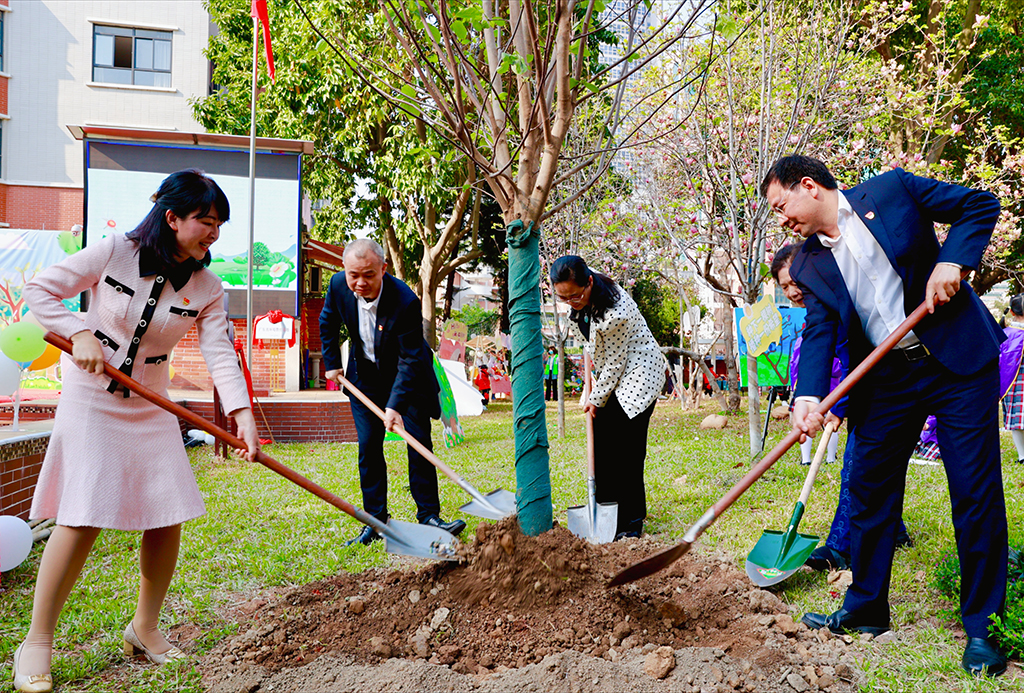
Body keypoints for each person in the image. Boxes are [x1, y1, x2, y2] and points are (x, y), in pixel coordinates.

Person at [13, 170, 259, 693]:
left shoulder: (208, 287)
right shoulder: (113, 252)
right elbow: (40, 289)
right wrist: (80, 331)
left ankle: (144, 629)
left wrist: (242, 416)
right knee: (82, 515)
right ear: (172, 218)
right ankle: (36, 641)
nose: (213, 234)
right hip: (91, 399)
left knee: (168, 512)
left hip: (151, 404)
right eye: (206, 222)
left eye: (219, 225)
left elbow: (219, 352)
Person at [762, 155, 1008, 677]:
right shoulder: (806, 261)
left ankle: (985, 625)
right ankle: (867, 607)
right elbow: (821, 328)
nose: (783, 219)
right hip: (887, 378)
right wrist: (807, 397)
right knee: (870, 488)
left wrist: (953, 262)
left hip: (955, 362)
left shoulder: (893, 191)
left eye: (783, 205)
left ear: (809, 186)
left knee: (973, 491)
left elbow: (980, 204)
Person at [772, 242, 914, 572]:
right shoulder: (817, 311)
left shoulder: (844, 295)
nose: (794, 291)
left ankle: (840, 548)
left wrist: (840, 403)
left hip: (890, 381)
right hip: (860, 389)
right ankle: (895, 530)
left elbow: (859, 356)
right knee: (877, 464)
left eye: (796, 282)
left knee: (856, 463)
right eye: (786, 286)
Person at [319, 238, 466, 546]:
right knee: (369, 447)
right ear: (344, 271)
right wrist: (332, 363)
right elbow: (328, 321)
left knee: (418, 442)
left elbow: (411, 359)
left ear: (383, 269)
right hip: (364, 379)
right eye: (353, 275)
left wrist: (395, 405)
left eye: (368, 275)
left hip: (407, 380)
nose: (360, 283)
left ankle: (428, 516)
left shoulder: (405, 301)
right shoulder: (337, 285)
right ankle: (376, 520)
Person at [550, 255, 666, 539]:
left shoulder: (616, 312)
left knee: (627, 452)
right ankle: (604, 513)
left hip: (639, 377)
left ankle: (631, 522)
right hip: (613, 377)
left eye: (575, 296)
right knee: (602, 446)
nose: (571, 302)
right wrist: (597, 393)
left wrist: (595, 398)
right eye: (563, 297)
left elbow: (616, 362)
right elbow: (597, 352)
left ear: (589, 282)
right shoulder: (585, 297)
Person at [1000, 294, 1024, 464]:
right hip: (1018, 380)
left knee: (1016, 418)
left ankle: (1022, 456)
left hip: (1013, 383)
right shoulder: (1012, 333)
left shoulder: (1006, 333)